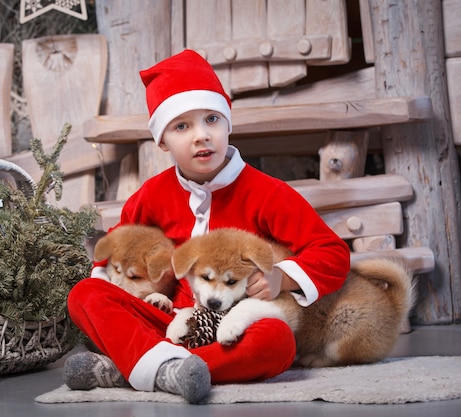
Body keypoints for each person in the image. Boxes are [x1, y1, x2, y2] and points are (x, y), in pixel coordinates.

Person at [64, 49, 351, 404]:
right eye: (182, 126)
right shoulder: (152, 195)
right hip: (169, 319)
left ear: (228, 123)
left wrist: (282, 277)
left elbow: (333, 253)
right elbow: (112, 255)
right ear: (161, 140)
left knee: (276, 343)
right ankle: (167, 369)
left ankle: (133, 368)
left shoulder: (267, 193)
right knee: (84, 295)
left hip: (234, 326)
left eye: (212, 119)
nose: (201, 135)